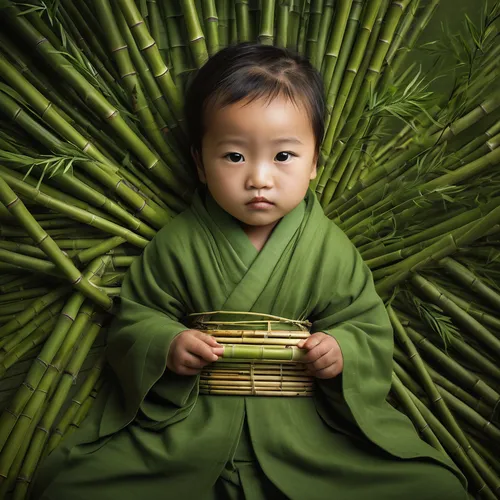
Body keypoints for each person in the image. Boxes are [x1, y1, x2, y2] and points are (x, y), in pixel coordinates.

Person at [32, 42, 468, 500]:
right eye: (235, 156)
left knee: (433, 488)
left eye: (283, 157)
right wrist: (167, 344)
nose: (259, 177)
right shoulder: (179, 243)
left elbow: (366, 325)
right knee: (74, 490)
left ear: (315, 161)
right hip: (191, 424)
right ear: (201, 163)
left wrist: (342, 350)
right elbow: (137, 318)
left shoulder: (329, 248)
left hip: (305, 431)